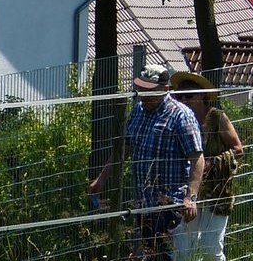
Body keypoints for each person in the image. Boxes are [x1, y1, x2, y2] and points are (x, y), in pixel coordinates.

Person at [89, 65, 204, 261]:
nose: (144, 95)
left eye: (150, 90)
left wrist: (190, 197)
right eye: (142, 89)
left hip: (172, 207)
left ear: (166, 90)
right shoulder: (137, 112)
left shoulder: (181, 116)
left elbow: (197, 159)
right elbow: (122, 152)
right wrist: (100, 180)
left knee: (173, 257)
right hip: (143, 205)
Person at [168, 72, 242, 261]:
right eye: (179, 96)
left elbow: (238, 149)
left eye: (189, 95)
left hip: (217, 191)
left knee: (211, 246)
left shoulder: (217, 118)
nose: (184, 100)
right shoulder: (178, 120)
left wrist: (211, 164)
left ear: (202, 95)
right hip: (187, 191)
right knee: (185, 245)